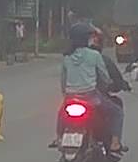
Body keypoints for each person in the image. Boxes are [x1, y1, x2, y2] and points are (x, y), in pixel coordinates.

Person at [53, 22, 126, 153]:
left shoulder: (67, 57)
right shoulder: (94, 55)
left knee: (61, 113)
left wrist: (67, 94)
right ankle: (115, 143)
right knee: (117, 112)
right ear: (85, 38)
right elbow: (104, 76)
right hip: (91, 97)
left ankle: (58, 138)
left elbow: (63, 81)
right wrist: (108, 84)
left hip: (70, 97)